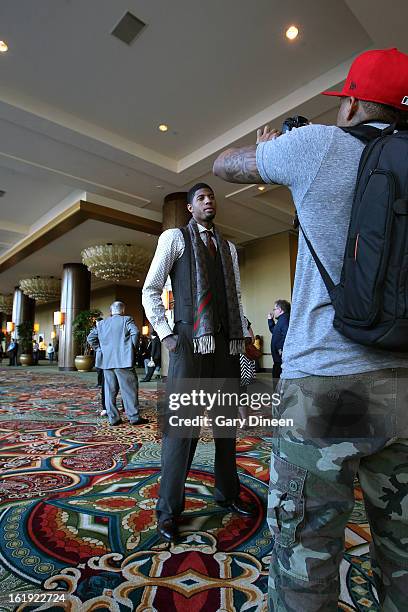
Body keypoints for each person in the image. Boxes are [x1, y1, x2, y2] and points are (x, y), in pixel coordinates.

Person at [213, 48, 408, 612]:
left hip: (328, 385)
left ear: (349, 103)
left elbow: (226, 164)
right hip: (405, 387)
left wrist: (274, 148)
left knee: (306, 554)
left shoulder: (319, 145)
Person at [142, 182, 253, 543]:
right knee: (182, 431)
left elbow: (235, 293)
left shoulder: (228, 248)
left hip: (225, 343)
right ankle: (169, 510)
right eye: (201, 198)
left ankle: (227, 493)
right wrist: (165, 332)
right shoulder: (174, 238)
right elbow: (151, 288)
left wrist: (244, 332)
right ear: (190, 207)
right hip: (189, 342)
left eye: (212, 197)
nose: (209, 201)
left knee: (225, 427)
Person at [87, 301, 148, 427]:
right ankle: (134, 417)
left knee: (110, 391)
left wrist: (99, 349)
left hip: (107, 361)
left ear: (111, 311)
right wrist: (131, 348)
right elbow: (135, 333)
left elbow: (90, 338)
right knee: (129, 390)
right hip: (123, 360)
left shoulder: (101, 323)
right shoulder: (127, 319)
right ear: (123, 310)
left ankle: (113, 418)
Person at [267, 299, 290, 381]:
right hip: (277, 357)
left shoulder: (284, 319)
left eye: (274, 309)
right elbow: (274, 331)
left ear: (280, 309)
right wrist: (270, 320)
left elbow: (287, 335)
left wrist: (281, 348)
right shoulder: (282, 319)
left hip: (280, 356)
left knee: (278, 377)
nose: (274, 311)